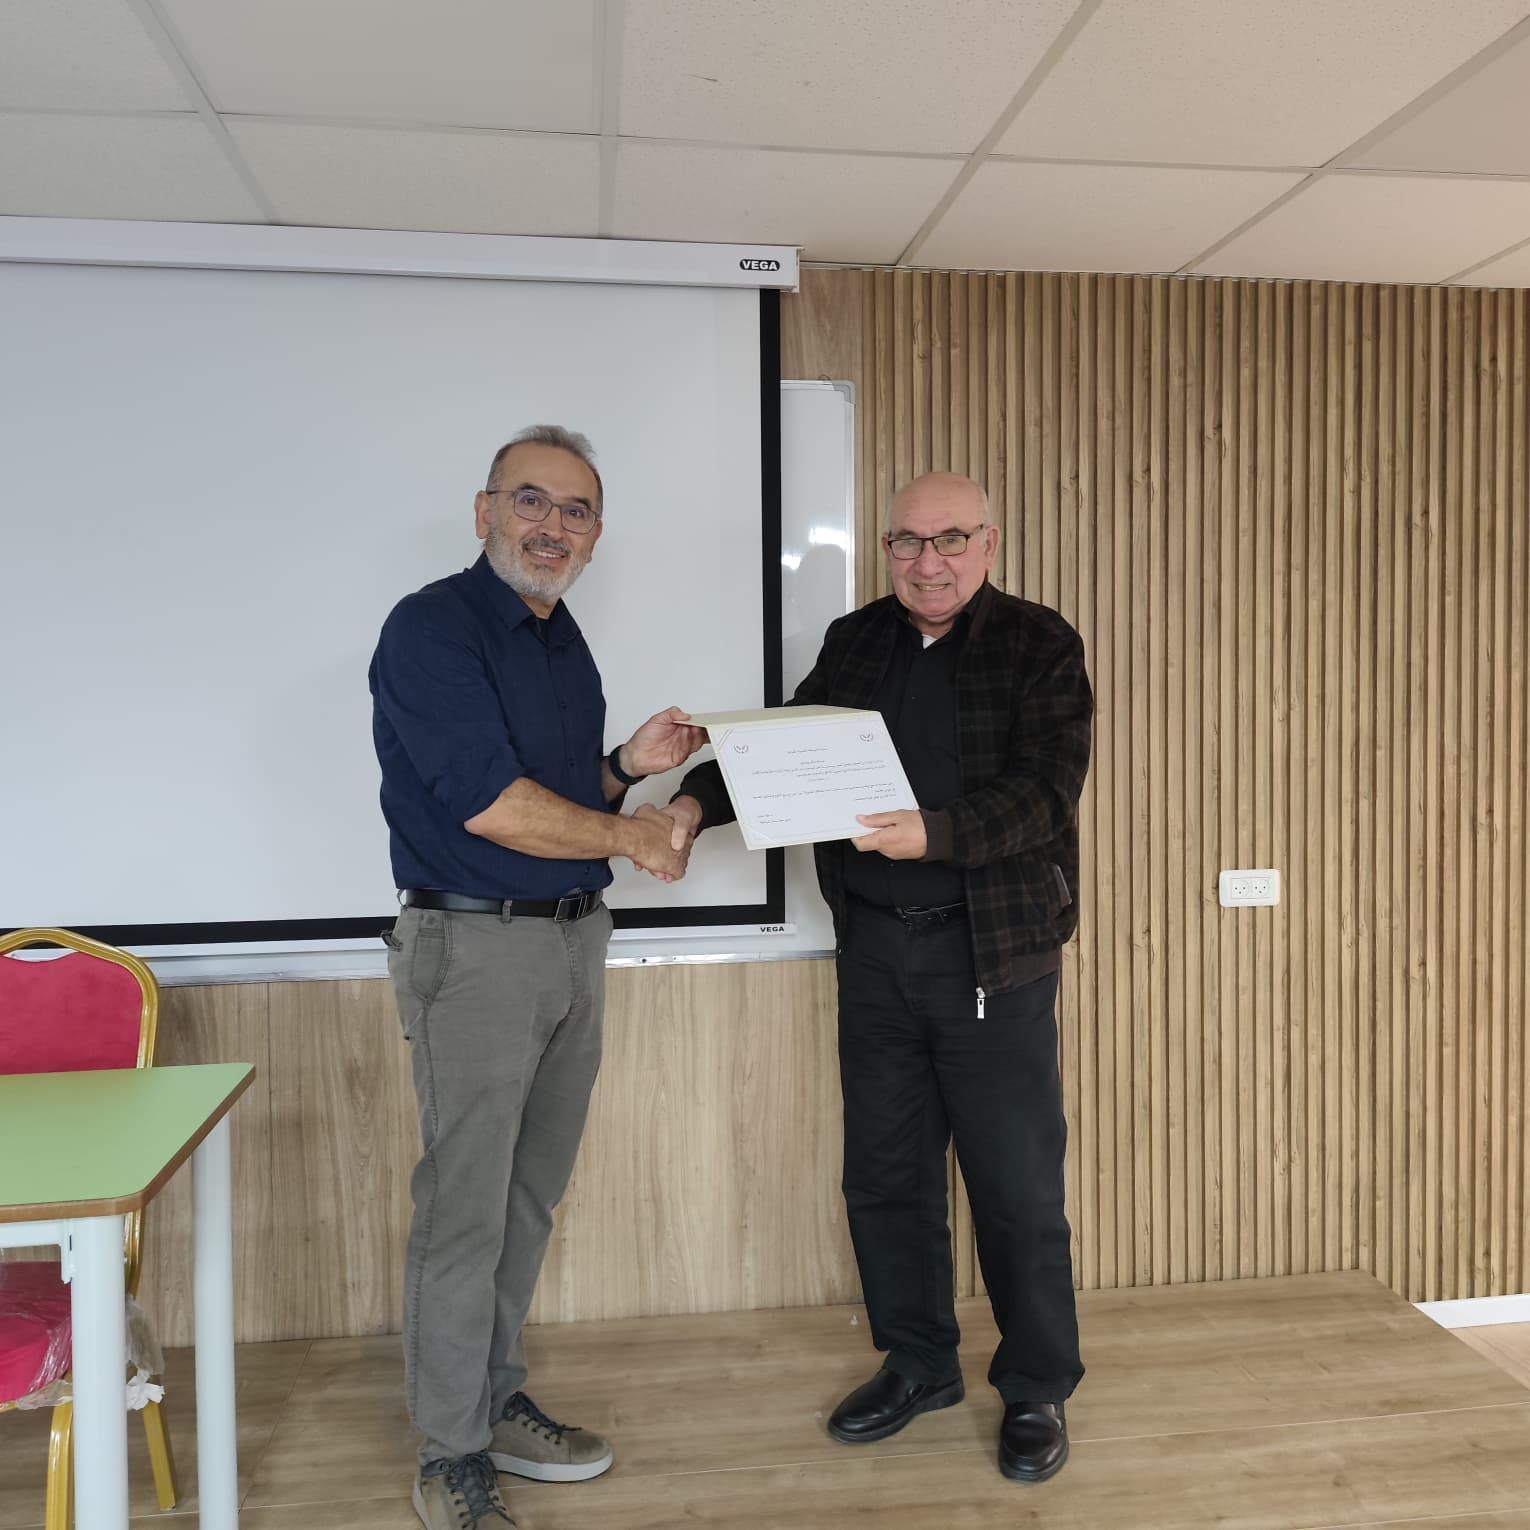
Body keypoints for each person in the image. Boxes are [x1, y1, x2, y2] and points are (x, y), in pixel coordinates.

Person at [665, 470, 1092, 1485]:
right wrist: (690, 803)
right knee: (887, 1176)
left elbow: (1047, 794)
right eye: (906, 541)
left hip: (992, 954)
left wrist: (934, 835)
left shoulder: (1039, 643)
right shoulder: (856, 641)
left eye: (949, 540)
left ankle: (1035, 1386)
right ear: (887, 547)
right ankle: (919, 1363)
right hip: (875, 953)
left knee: (1015, 1186)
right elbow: (783, 753)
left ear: (988, 543)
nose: (927, 562)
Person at [369, 424, 704, 1529]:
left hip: (570, 940)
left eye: (575, 511)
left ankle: (494, 1397)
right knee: (465, 1208)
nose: (551, 526)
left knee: (525, 1196)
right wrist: (636, 836)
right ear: (484, 512)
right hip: (475, 950)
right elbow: (492, 806)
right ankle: (450, 1452)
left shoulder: (567, 645)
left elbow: (559, 796)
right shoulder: (432, 627)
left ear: (596, 536)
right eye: (530, 501)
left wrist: (625, 770)